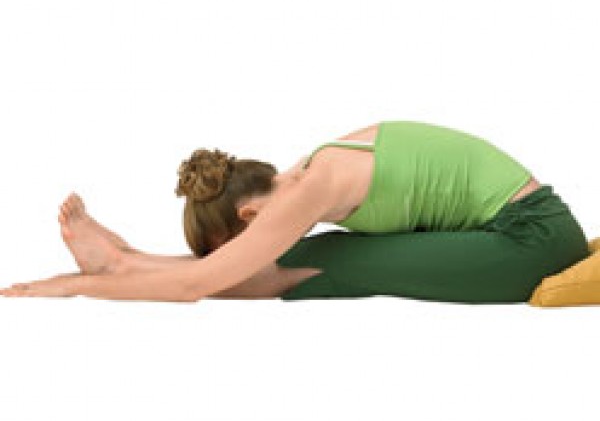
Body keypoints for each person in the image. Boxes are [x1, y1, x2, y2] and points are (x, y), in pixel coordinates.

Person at [0, 120, 591, 302]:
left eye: (235, 245)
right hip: (520, 230)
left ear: (248, 218)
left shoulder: (308, 190)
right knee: (320, 254)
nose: (241, 254)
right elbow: (218, 271)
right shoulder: (311, 168)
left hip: (531, 245)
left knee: (332, 262)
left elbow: (195, 286)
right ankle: (126, 261)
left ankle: (120, 265)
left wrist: (75, 287)